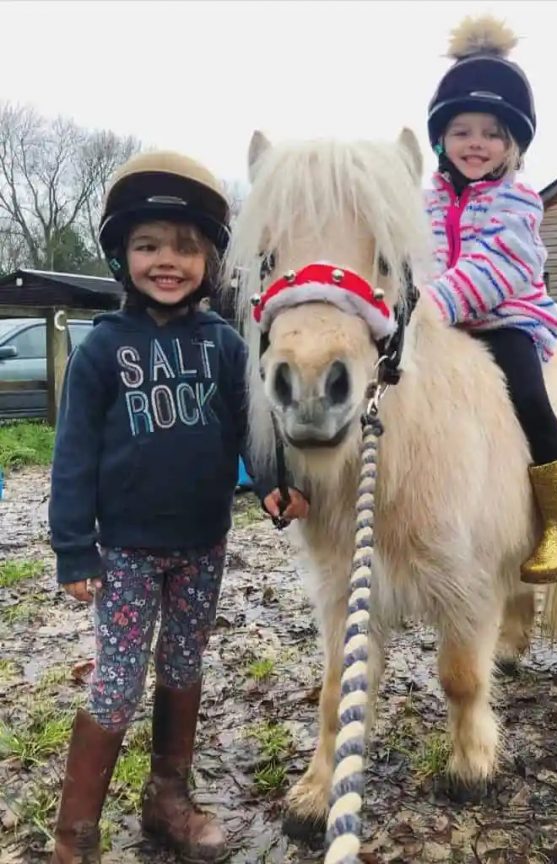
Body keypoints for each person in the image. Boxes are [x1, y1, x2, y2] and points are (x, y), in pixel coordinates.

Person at [48, 150, 307, 864]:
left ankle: (168, 799)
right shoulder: (103, 350)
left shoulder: (224, 346)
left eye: (187, 248)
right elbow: (70, 456)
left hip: (203, 542)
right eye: (149, 245)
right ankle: (75, 835)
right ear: (120, 254)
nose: (169, 260)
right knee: (119, 680)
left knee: (185, 664)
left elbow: (247, 430)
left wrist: (271, 482)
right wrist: (74, 546)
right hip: (126, 549)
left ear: (211, 262)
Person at [423, 16, 557, 585]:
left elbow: (501, 266)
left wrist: (431, 303)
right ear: (442, 139)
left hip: (509, 319)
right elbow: (421, 258)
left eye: (491, 133)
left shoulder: (519, 198)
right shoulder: (428, 200)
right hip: (443, 322)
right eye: (462, 131)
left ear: (511, 144)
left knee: (530, 401)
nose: (476, 144)